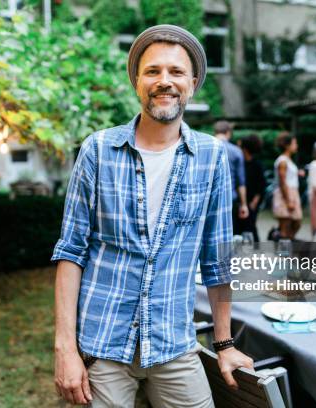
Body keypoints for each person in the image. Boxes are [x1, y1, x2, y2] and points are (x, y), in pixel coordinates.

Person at [51, 25, 253, 407]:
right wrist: (65, 349)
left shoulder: (213, 158)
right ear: (137, 82)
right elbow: (71, 252)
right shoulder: (98, 150)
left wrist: (224, 344)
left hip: (173, 343)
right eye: (153, 71)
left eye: (176, 72)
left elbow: (218, 260)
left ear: (192, 84)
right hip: (101, 343)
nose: (165, 81)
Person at [214, 120, 249, 234]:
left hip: (208, 199)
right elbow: (241, 181)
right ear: (228, 132)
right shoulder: (236, 151)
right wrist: (244, 204)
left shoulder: (204, 148)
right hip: (230, 198)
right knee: (228, 233)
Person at [273, 131, 302, 240]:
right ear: (287, 145)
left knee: (296, 222)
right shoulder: (283, 161)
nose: (296, 146)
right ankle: (283, 252)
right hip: (286, 194)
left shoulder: (288, 160)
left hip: (292, 192)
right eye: (294, 143)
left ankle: (285, 246)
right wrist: (288, 200)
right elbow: (282, 181)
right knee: (286, 224)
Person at [238, 134, 266, 241]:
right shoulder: (240, 163)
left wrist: (255, 202)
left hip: (251, 202)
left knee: (250, 226)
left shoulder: (257, 165)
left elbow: (261, 185)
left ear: (245, 148)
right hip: (240, 201)